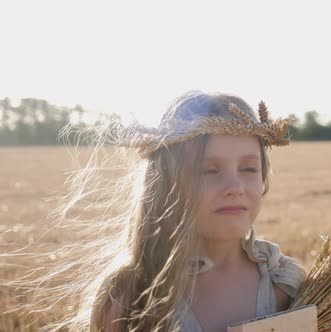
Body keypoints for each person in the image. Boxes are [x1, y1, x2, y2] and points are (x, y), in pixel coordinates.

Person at [14, 91, 306, 332]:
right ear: (167, 184)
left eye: (249, 168)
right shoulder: (130, 297)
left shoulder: (285, 285)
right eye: (208, 170)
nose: (234, 186)